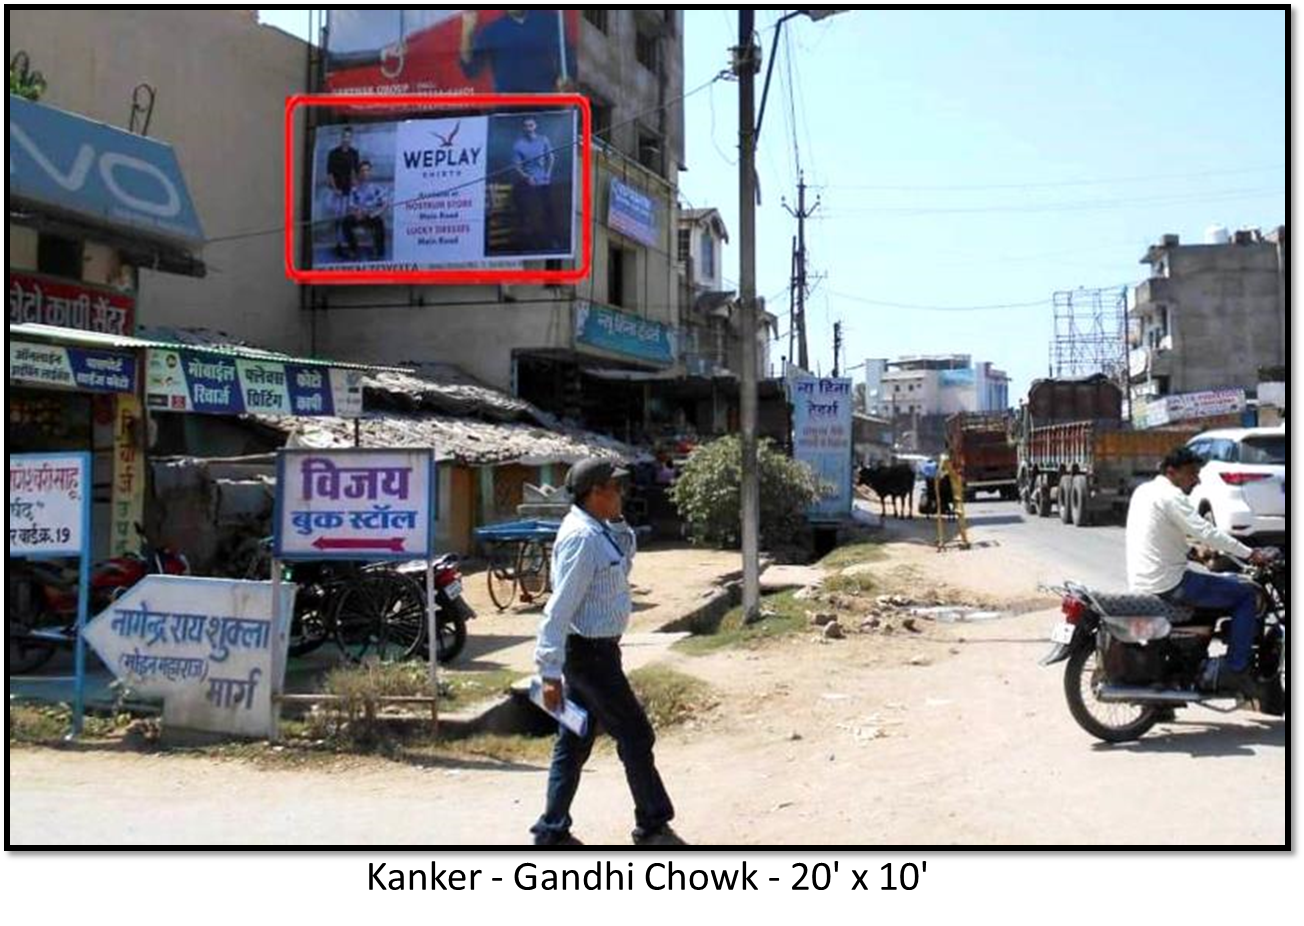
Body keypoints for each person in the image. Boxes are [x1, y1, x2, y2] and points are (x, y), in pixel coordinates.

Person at [531, 458, 681, 846]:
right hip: (589, 657)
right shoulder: (582, 538)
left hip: (598, 653)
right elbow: (558, 608)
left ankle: (551, 829)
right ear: (595, 493)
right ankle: (652, 823)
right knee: (636, 735)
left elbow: (623, 564)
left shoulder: (599, 530)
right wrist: (548, 672)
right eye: (615, 489)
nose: (621, 495)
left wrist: (618, 523)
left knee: (574, 740)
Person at [1125, 445, 1272, 696]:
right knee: (1246, 595)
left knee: (1222, 586)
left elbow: (1163, 536)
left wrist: (1196, 554)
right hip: (1169, 583)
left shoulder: (1145, 491)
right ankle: (1237, 669)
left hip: (1145, 578)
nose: (1197, 479)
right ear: (1172, 472)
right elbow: (1205, 531)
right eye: (1192, 473)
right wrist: (1250, 554)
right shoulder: (1171, 496)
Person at [459, 10, 576, 93]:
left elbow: (567, 57)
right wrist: (467, 31)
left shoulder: (550, 21)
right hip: (509, 109)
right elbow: (470, 69)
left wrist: (567, 78)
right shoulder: (492, 31)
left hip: (547, 105)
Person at [510, 117, 561, 252]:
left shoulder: (543, 139)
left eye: (531, 125)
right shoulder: (518, 144)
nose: (529, 128)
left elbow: (551, 157)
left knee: (549, 210)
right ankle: (527, 243)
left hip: (543, 181)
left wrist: (548, 173)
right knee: (527, 212)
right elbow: (516, 166)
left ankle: (552, 240)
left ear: (535, 126)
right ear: (523, 128)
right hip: (528, 183)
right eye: (526, 126)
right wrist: (526, 177)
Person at [325, 127, 361, 260]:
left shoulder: (354, 153)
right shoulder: (333, 153)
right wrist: (335, 189)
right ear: (341, 137)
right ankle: (338, 245)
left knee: (348, 219)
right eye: (344, 137)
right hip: (337, 192)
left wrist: (354, 187)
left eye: (349, 137)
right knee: (338, 219)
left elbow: (355, 173)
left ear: (351, 138)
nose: (346, 139)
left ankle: (349, 246)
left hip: (349, 191)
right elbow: (329, 174)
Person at [342, 161, 388, 260]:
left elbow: (384, 205)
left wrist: (374, 214)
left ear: (370, 172)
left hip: (371, 216)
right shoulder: (354, 189)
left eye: (367, 170)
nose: (365, 173)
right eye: (362, 171)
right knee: (346, 222)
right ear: (359, 173)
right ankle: (353, 250)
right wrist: (356, 213)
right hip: (358, 216)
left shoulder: (376, 188)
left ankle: (379, 252)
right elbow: (350, 206)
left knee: (379, 222)